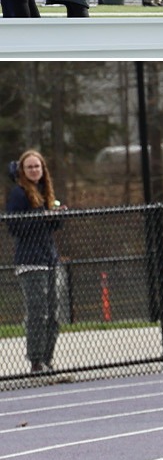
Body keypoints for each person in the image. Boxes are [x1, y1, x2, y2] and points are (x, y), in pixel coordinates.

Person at [7, 150, 63, 374]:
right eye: (29, 167)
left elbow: (51, 228)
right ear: (22, 170)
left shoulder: (45, 193)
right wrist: (39, 218)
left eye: (37, 167)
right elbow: (14, 227)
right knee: (38, 311)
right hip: (30, 261)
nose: (34, 170)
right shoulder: (19, 194)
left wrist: (55, 216)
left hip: (49, 257)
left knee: (54, 313)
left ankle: (48, 358)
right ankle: (36, 360)